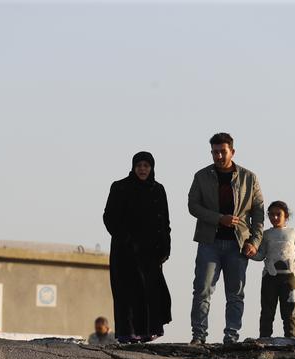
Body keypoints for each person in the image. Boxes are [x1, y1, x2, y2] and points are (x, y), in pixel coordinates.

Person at [188, 132, 264, 345]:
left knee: (235, 293)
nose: (218, 156)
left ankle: (231, 337)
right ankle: (198, 336)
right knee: (202, 290)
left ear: (232, 151)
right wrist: (219, 218)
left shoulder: (250, 178)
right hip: (208, 243)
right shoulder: (201, 176)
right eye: (214, 152)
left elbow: (259, 212)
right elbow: (193, 206)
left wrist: (255, 241)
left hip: (238, 244)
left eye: (222, 152)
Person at [103, 151, 172, 343]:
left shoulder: (158, 190)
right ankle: (128, 333)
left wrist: (165, 248)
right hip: (124, 252)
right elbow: (109, 217)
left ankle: (147, 332)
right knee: (127, 292)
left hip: (150, 253)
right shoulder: (120, 187)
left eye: (146, 166)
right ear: (133, 167)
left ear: (151, 168)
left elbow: (164, 222)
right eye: (139, 166)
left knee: (149, 292)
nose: (143, 169)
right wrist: (125, 239)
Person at [251, 201, 295, 338]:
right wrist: (249, 253)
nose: (275, 218)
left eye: (278, 214)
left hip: (289, 278)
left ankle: (290, 339)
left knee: (289, 311)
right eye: (271, 215)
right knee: (267, 310)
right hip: (269, 277)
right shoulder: (266, 234)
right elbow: (261, 255)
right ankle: (265, 338)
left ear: (286, 216)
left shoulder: (292, 232)